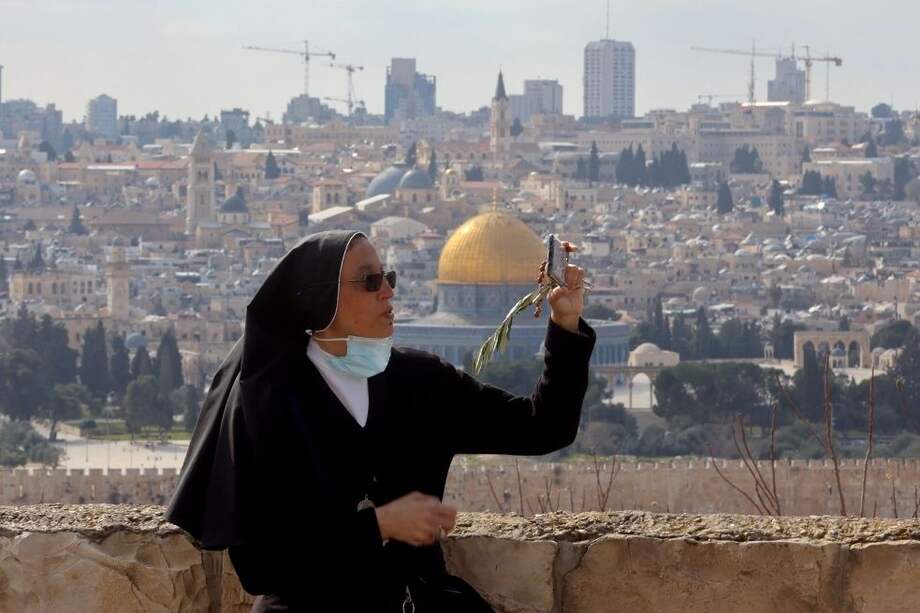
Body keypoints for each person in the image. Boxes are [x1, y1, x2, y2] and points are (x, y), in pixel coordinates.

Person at [165, 230, 596, 611]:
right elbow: (264, 565)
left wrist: (565, 321)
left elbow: (545, 427)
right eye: (369, 282)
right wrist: (381, 525)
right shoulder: (269, 399)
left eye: (387, 278)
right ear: (320, 298)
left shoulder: (421, 382)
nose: (388, 292)